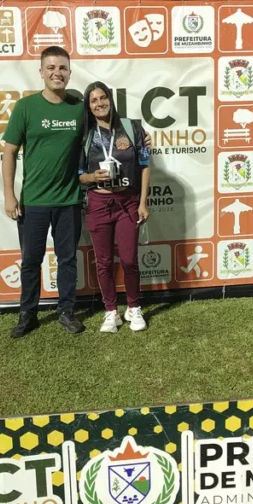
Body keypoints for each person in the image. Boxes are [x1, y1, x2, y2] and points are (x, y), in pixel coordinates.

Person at [2, 46, 85, 337]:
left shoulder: (79, 107)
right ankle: (28, 314)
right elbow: (9, 152)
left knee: (67, 260)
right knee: (30, 262)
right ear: (41, 72)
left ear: (70, 73)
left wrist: (138, 136)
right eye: (51, 68)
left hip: (69, 200)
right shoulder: (25, 107)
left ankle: (66, 311)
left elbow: (108, 128)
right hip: (33, 202)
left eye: (62, 68)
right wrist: (9, 194)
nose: (57, 73)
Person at [79, 82, 151, 332]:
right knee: (104, 261)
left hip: (128, 202)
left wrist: (143, 202)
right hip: (98, 203)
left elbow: (144, 165)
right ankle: (111, 311)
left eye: (103, 98)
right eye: (93, 100)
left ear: (110, 99)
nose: (99, 103)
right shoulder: (85, 134)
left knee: (129, 260)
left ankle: (133, 307)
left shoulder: (132, 128)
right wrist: (91, 177)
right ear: (88, 106)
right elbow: (78, 175)